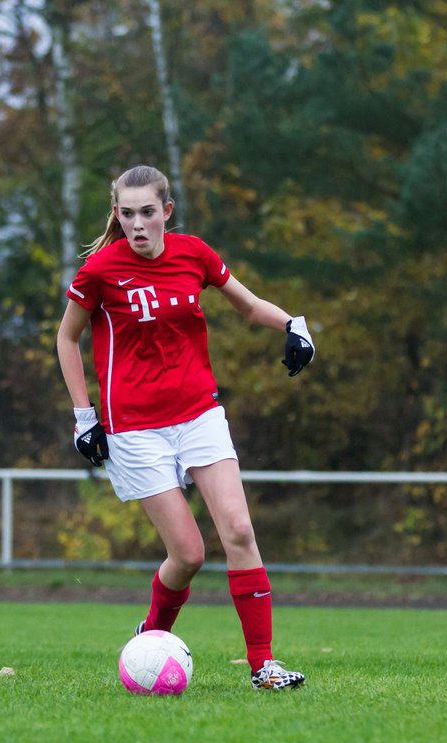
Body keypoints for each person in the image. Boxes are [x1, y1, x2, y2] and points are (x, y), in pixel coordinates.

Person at [56, 165, 314, 690]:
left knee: (240, 530)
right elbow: (67, 340)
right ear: (117, 215)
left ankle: (264, 666)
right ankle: (150, 637)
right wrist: (85, 417)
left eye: (147, 212)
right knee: (189, 554)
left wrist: (293, 323)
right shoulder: (101, 271)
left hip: (198, 413)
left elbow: (246, 305)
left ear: (166, 212)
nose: (137, 224)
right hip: (134, 428)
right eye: (126, 214)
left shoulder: (193, 252)